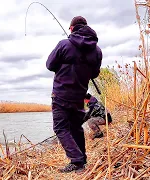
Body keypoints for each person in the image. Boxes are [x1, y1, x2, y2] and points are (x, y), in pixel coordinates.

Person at [46, 16, 102, 173]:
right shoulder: (97, 50)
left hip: (60, 94)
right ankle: (82, 160)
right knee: (76, 127)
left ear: (71, 28)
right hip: (79, 95)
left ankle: (77, 161)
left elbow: (49, 65)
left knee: (60, 128)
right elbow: (95, 74)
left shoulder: (64, 44)